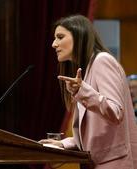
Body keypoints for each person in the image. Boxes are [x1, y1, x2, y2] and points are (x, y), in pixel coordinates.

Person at [38, 15, 137, 169]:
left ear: (79, 36)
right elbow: (94, 133)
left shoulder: (102, 61)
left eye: (60, 37)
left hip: (114, 163)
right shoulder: (88, 68)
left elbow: (116, 112)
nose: (53, 44)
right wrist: (64, 143)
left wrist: (83, 92)